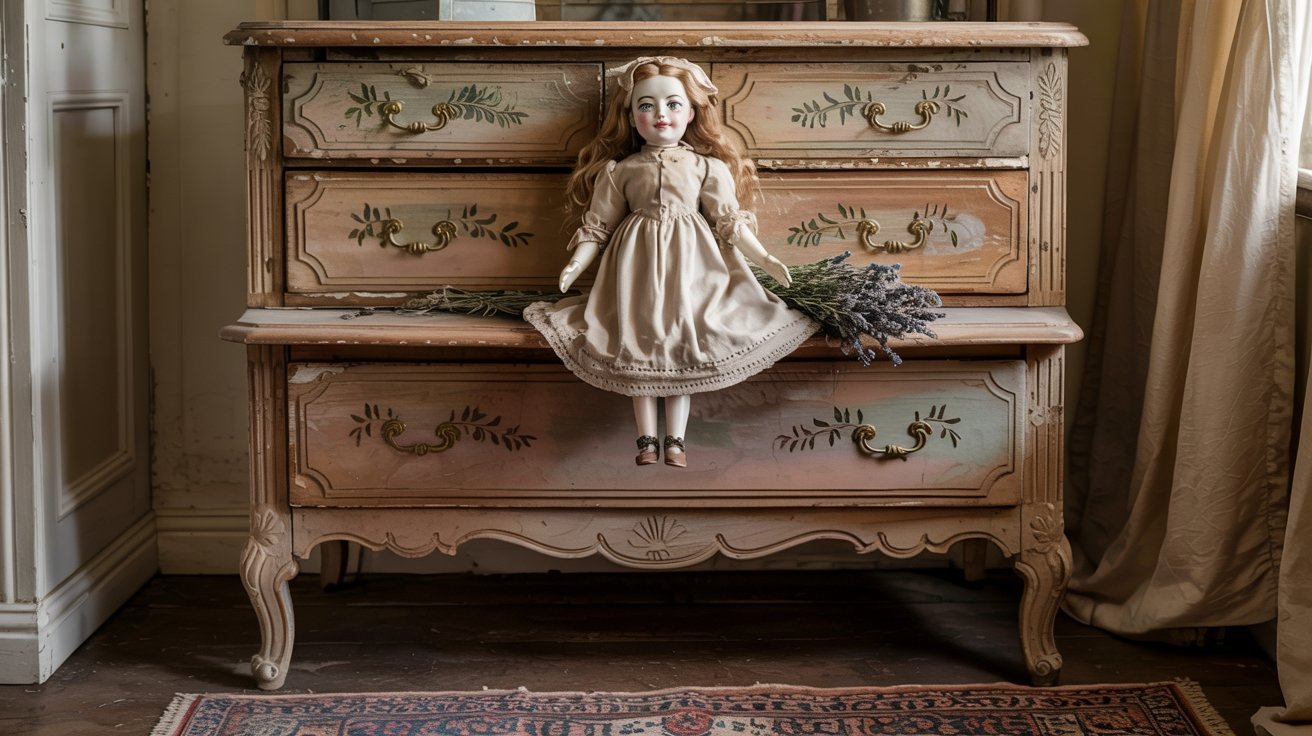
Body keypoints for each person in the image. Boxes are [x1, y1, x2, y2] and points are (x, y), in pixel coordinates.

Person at [524, 56, 817, 468]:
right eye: (646, 106)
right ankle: (646, 441)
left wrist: (765, 258)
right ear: (630, 116)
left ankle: (676, 441)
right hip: (634, 268)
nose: (660, 114)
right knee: (637, 342)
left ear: (693, 112)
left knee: (682, 346)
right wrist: (576, 264)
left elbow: (729, 222)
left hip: (692, 268)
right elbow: (599, 226)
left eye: (673, 104)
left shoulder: (707, 167)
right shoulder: (619, 171)